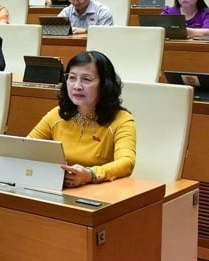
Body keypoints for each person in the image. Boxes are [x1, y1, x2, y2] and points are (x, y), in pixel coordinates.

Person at [28, 51, 135, 187]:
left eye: (87, 79)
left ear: (104, 84)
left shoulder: (121, 120)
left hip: (100, 192)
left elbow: (127, 162)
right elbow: (27, 147)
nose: (77, 86)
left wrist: (90, 174)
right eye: (72, 78)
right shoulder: (58, 114)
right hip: (60, 188)